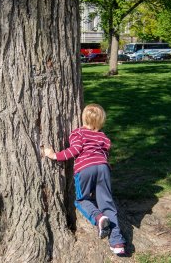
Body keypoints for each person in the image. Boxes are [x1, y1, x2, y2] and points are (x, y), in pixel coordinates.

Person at [43, 103, 126, 256]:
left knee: (81, 200)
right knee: (107, 203)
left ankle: (99, 218)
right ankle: (117, 242)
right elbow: (106, 152)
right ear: (102, 121)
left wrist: (54, 155)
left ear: (83, 118)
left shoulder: (78, 133)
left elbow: (74, 150)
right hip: (103, 167)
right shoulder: (103, 137)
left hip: (85, 169)